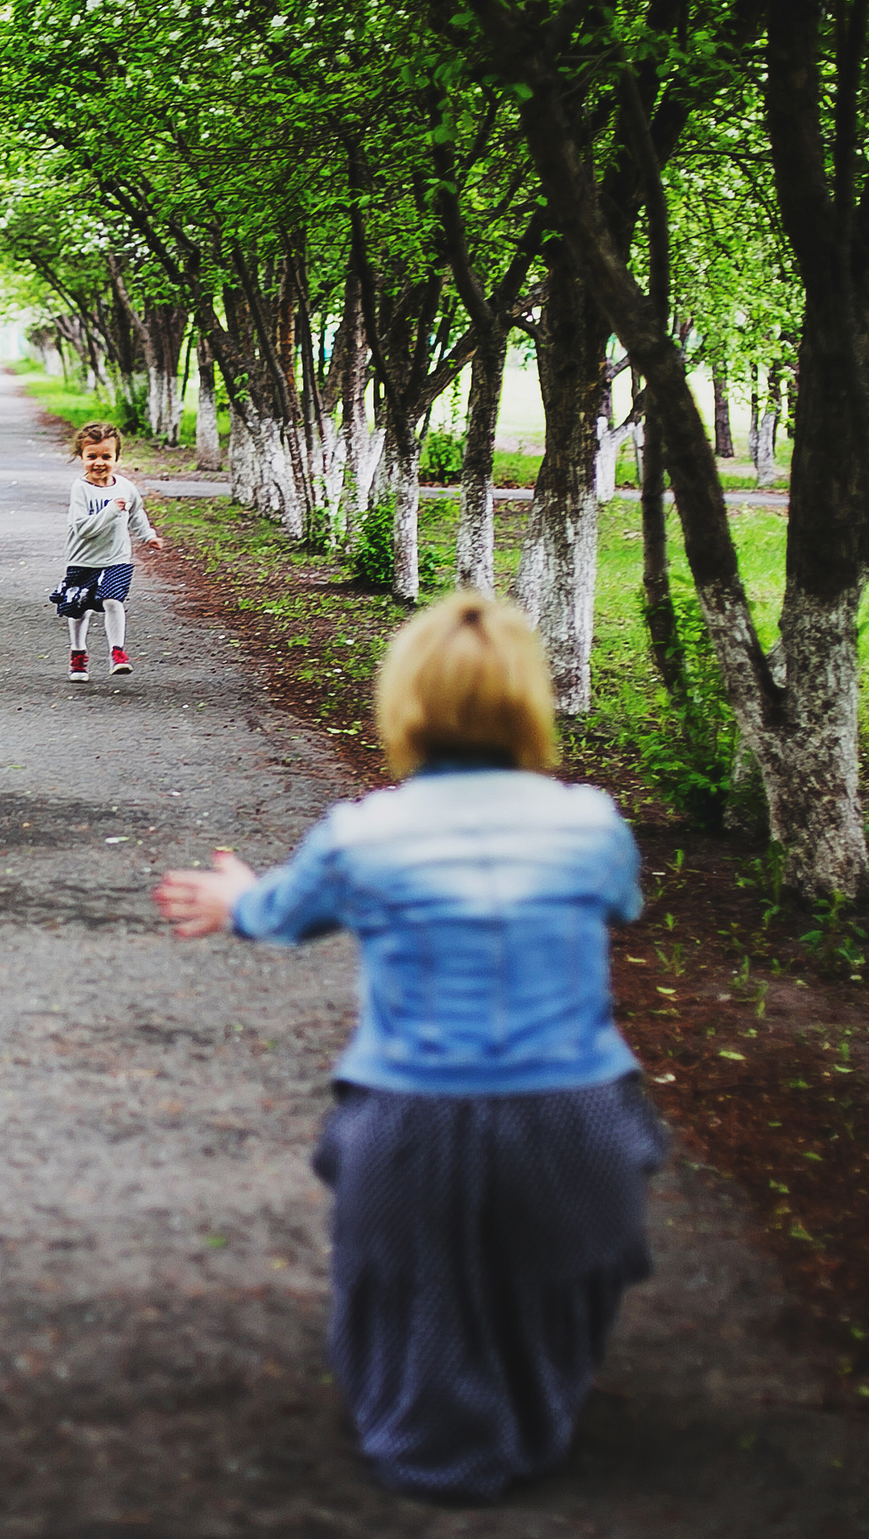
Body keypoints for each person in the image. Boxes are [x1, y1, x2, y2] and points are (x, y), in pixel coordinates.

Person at [153, 593, 663, 1505]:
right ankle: (535, 1418)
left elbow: (276, 914)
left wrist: (237, 896)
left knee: (408, 1290)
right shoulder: (593, 824)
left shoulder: (362, 834)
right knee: (555, 1289)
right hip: (579, 1120)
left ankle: (433, 1443)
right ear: (528, 704)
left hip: (412, 1120)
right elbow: (619, 904)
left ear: (405, 705)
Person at [58, 422, 162, 682]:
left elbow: (136, 513)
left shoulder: (125, 487)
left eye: (106, 456)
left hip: (116, 558)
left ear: (117, 457)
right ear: (81, 457)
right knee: (79, 608)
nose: (99, 463)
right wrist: (110, 511)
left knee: (113, 600)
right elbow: (83, 529)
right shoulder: (80, 489)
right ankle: (78, 653)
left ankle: (118, 653)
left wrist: (148, 536)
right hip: (83, 559)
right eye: (91, 456)